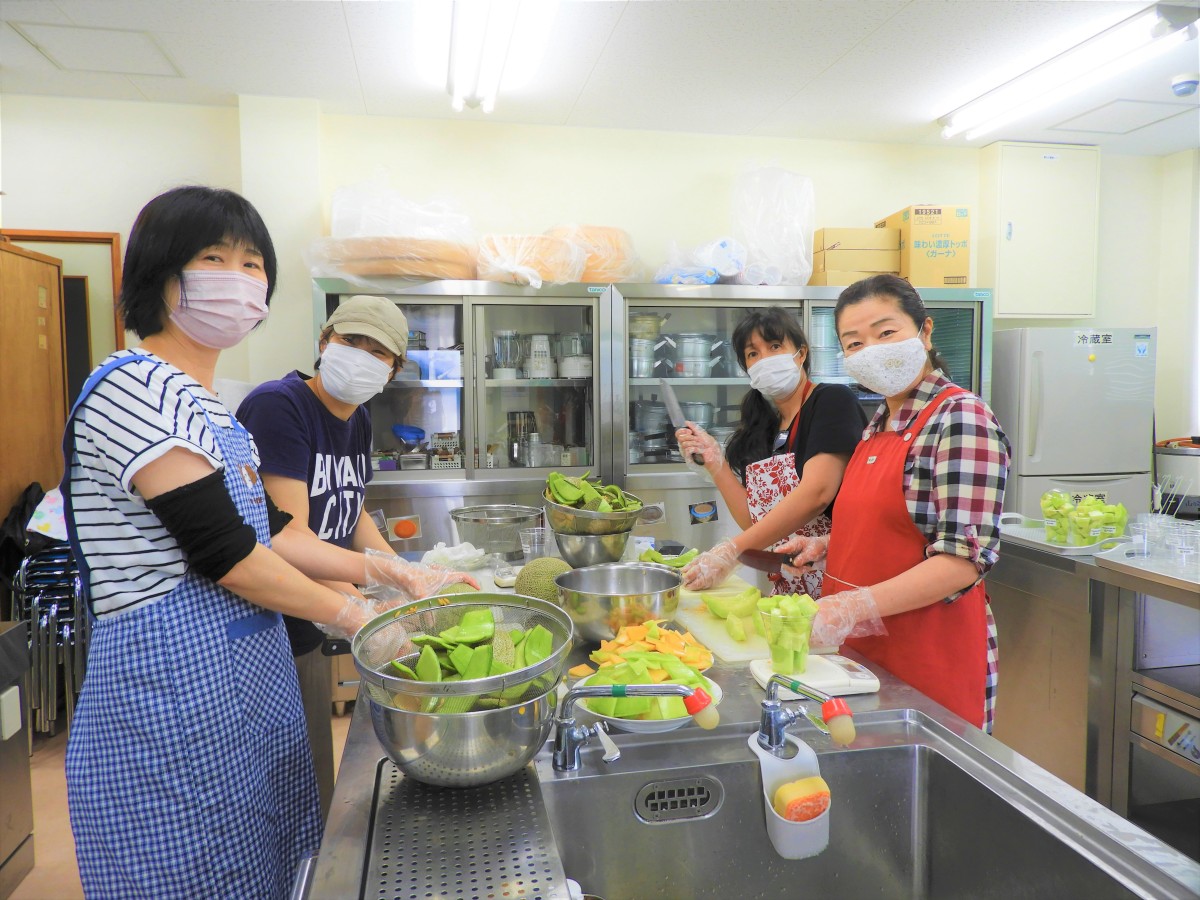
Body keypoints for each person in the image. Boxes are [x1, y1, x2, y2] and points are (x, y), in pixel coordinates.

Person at [60, 186, 473, 899]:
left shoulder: (210, 408)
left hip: (244, 685)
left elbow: (275, 531)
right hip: (173, 696)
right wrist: (355, 614)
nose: (239, 278)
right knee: (190, 872)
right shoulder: (135, 389)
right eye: (213, 258)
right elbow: (225, 553)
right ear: (158, 274)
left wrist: (399, 576)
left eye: (253, 264)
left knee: (265, 865)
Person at [778, 274, 1010, 732]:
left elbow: (963, 561)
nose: (872, 350)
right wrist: (829, 544)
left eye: (886, 332)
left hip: (926, 659)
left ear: (925, 331)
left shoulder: (960, 418)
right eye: (854, 343)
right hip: (865, 656)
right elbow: (901, 523)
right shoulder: (879, 423)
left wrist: (848, 608)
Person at [236, 294, 411, 820]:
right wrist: (362, 606)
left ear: (393, 369)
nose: (360, 356)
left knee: (310, 778)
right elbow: (288, 540)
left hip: (313, 622)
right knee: (278, 787)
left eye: (377, 351)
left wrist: (407, 580)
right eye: (350, 341)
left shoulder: (358, 419)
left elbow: (350, 512)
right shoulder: (279, 406)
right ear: (324, 341)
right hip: (270, 624)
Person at [675, 307, 865, 594]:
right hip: (791, 588)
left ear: (800, 353)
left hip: (839, 581)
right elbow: (755, 521)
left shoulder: (831, 401)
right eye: (753, 354)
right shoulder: (764, 427)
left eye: (775, 346)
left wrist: (731, 552)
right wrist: (716, 463)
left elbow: (817, 494)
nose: (765, 359)